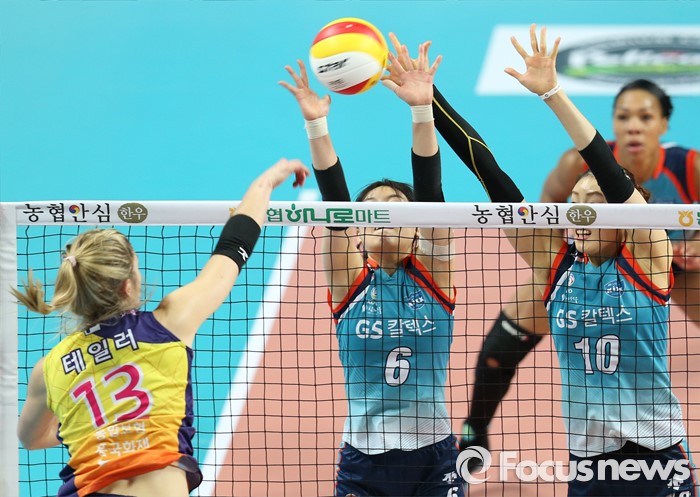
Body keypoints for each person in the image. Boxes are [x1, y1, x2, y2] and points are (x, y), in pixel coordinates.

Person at [396, 24, 696, 495]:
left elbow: (612, 177)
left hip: (657, 461)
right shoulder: (556, 267)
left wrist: (553, 94)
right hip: (588, 464)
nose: (581, 213)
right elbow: (490, 174)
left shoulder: (648, 257)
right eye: (575, 203)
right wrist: (428, 103)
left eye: (595, 203)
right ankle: (476, 427)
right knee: (505, 337)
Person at [15, 159, 310, 497]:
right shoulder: (170, 322)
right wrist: (266, 182)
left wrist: (99, 426)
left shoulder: (49, 368)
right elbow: (232, 247)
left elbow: (30, 438)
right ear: (128, 285)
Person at [455, 74, 699, 460]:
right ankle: (475, 427)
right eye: (623, 117)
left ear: (664, 124)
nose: (633, 126)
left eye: (645, 117)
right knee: (501, 345)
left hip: (672, 263)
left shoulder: (688, 166)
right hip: (586, 262)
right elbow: (543, 209)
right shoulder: (576, 164)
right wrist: (563, 260)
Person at [280, 40, 468, 497]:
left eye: (396, 207)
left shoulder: (434, 277)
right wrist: (316, 124)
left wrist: (422, 110)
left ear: (417, 229)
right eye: (372, 210)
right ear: (358, 235)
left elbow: (431, 192)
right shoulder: (350, 283)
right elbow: (335, 205)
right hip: (364, 463)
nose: (383, 215)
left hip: (435, 457)